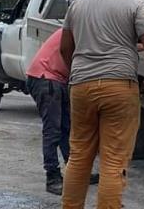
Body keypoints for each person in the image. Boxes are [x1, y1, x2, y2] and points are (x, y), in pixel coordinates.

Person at [60, 0, 144, 209]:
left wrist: (78, 73)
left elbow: (64, 48)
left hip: (81, 86)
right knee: (114, 162)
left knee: (79, 157)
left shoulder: (79, 4)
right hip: (119, 86)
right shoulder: (135, 4)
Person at [25, 27, 99, 195]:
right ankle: (52, 177)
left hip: (53, 78)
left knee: (67, 128)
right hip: (46, 78)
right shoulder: (80, 31)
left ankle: (76, 172)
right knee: (53, 130)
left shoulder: (83, 27)